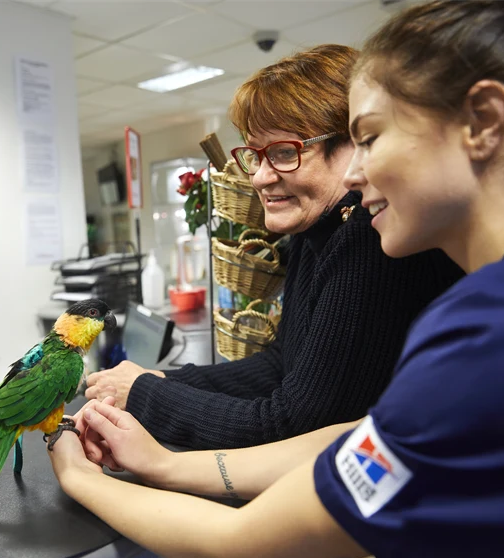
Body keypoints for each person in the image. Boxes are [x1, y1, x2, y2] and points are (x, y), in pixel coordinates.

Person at [49, 1, 504, 558]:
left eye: (370, 138)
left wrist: (81, 476)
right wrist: (168, 461)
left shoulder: (492, 332)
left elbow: (248, 539)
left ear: (485, 121)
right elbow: (358, 436)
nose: (356, 173)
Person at [85, 44, 463, 450]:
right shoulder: (313, 230)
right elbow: (283, 363)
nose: (261, 178)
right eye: (255, 155)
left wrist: (144, 394)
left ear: (352, 144)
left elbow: (293, 425)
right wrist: (158, 380)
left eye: (285, 152)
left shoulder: (369, 239)